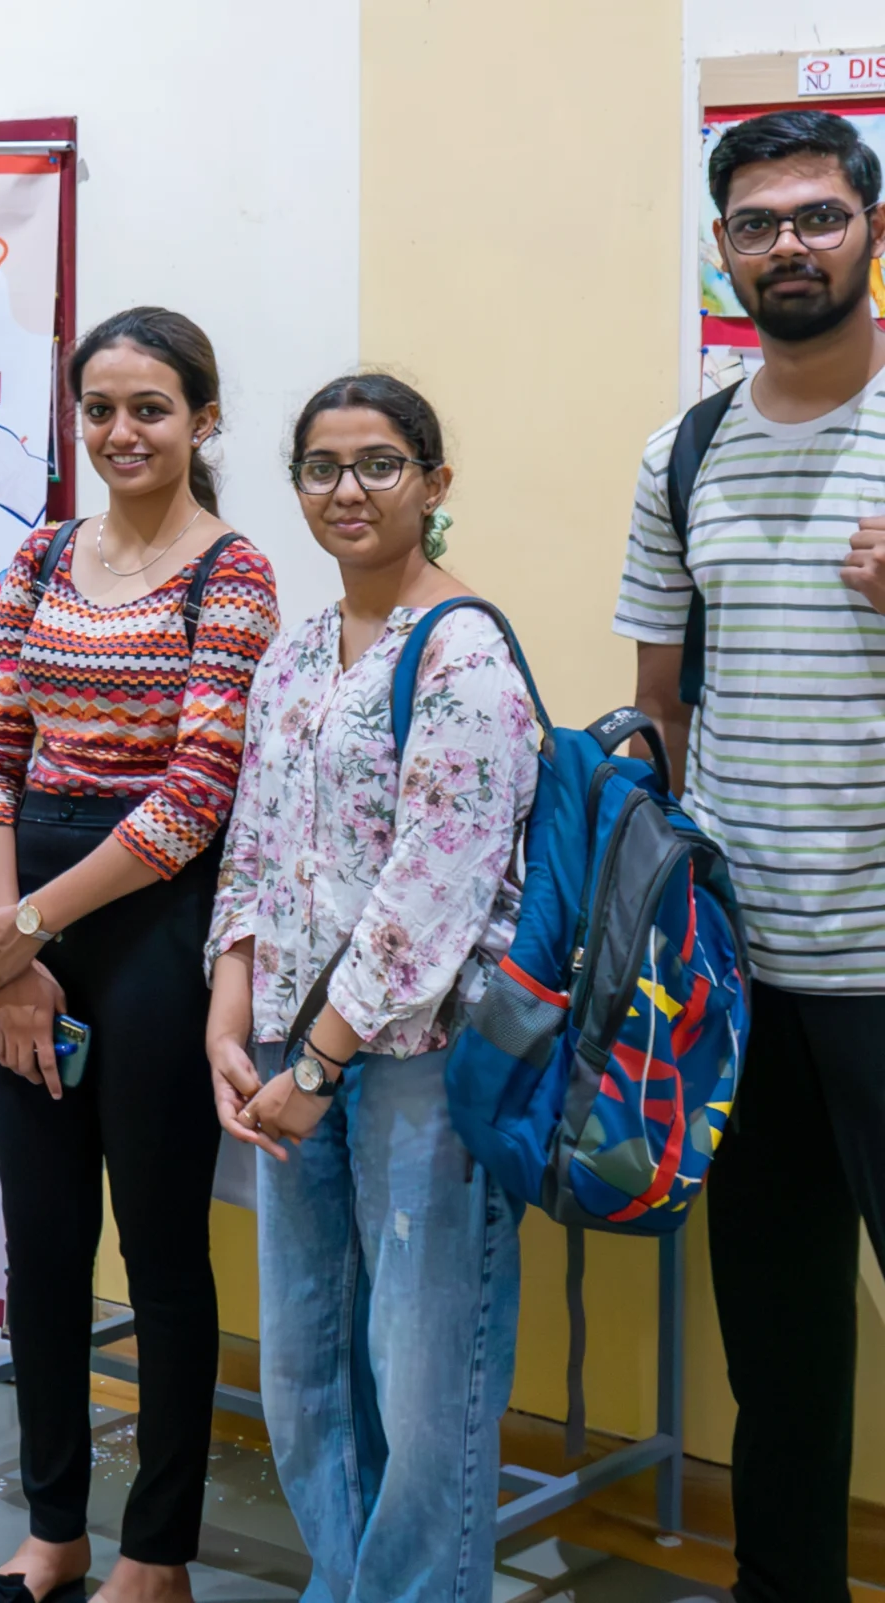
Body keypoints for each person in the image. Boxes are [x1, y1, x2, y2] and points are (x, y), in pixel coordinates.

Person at [0, 307, 280, 1603]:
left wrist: (31, 923)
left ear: (204, 419)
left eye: (150, 407)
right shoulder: (39, 555)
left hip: (157, 922)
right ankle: (54, 1534)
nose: (121, 432)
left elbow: (196, 797)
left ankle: (155, 1554)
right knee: (39, 1242)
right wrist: (7, 948)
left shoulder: (234, 571)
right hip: (29, 913)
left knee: (159, 1250)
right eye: (99, 408)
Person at [205, 374, 538, 1602]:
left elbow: (429, 896)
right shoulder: (295, 651)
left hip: (413, 1075)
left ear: (434, 485)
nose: (347, 489)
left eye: (379, 463)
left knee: (422, 1389)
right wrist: (225, 1016)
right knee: (303, 1376)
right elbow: (250, 843)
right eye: (321, 466)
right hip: (289, 1061)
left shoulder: (462, 655)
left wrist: (318, 1061)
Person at [617, 108, 885, 1603]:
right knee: (780, 1342)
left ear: (869, 228)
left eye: (818, 215)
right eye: (757, 222)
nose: (788, 243)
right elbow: (661, 703)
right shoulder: (688, 447)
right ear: (723, 248)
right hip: (737, 981)